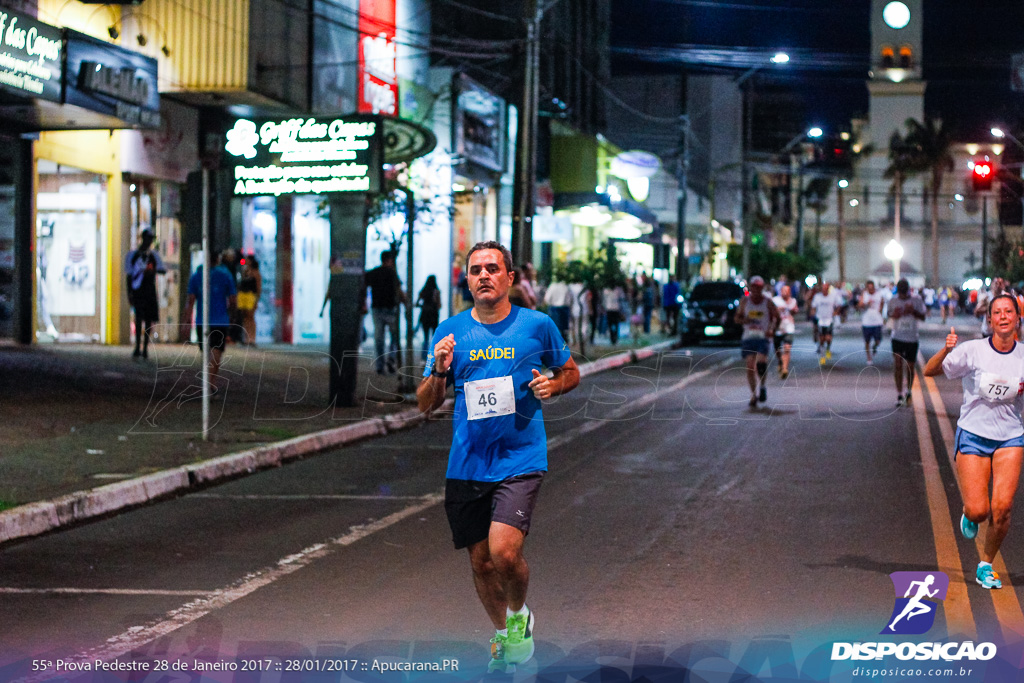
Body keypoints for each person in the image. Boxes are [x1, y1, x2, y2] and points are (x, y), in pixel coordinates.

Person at [416, 241, 580, 672]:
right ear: (467, 280)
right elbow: (424, 404)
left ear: (510, 277)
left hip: (521, 457)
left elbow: (570, 371)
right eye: (475, 270)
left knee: (503, 553)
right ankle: (507, 634)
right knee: (480, 563)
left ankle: (518, 615)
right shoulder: (449, 332)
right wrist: (438, 369)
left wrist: (553, 385)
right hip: (468, 462)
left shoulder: (537, 325)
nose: (484, 275)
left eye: (493, 268)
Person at [924, 294, 1024, 589]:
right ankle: (970, 513)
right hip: (974, 436)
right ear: (989, 319)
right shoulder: (972, 351)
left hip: (1010, 437)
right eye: (997, 312)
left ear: (1018, 318)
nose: (1003, 316)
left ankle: (986, 565)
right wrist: (945, 350)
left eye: (1009, 311)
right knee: (979, 510)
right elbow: (930, 371)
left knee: (1003, 507)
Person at [184, 250, 237, 388]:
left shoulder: (197, 276)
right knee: (217, 352)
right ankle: (211, 382)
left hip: (203, 321)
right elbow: (232, 299)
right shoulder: (226, 275)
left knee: (206, 353)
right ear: (218, 259)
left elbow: (191, 300)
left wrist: (186, 320)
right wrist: (232, 316)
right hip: (220, 320)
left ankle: (209, 383)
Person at [735, 276, 780, 407]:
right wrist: (745, 321)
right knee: (750, 366)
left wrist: (773, 330)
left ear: (762, 288)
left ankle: (763, 386)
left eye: (758, 287)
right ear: (751, 287)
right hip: (748, 337)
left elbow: (777, 317)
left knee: (760, 364)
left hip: (763, 337)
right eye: (754, 286)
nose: (756, 289)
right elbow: (737, 318)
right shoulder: (745, 302)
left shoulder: (768, 302)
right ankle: (753, 395)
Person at [125, 229, 166, 359]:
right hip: (138, 290)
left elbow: (162, 269)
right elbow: (129, 275)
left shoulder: (153, 256)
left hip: (149, 290)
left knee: (148, 320)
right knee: (138, 318)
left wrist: (152, 271)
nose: (149, 241)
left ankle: (145, 348)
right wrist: (129, 294)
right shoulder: (133, 255)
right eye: (148, 238)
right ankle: (137, 346)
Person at [364, 250, 406, 374]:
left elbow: (364, 286)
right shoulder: (393, 273)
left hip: (377, 309)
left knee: (379, 339)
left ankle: (380, 365)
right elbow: (399, 290)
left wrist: (363, 303)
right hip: (391, 309)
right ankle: (391, 359)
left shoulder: (373, 273)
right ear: (390, 260)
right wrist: (405, 302)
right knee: (394, 337)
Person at [889, 279, 927, 407]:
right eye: (901, 294)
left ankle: (908, 390)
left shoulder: (917, 300)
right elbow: (888, 314)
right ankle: (899, 393)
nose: (903, 297)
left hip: (912, 337)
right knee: (898, 364)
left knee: (910, 366)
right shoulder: (893, 300)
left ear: (909, 290)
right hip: (897, 337)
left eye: (905, 294)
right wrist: (895, 314)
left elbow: (923, 316)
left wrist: (913, 311)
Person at [811, 280, 841, 366]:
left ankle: (828, 348)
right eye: (823, 288)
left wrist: (836, 312)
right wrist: (813, 314)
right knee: (821, 339)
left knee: (828, 338)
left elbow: (839, 304)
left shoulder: (832, 297)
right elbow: (813, 306)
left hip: (829, 320)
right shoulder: (817, 297)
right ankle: (822, 355)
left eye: (826, 288)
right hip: (820, 319)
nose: (824, 290)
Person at [771, 284, 798, 379]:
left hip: (789, 327)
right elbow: (770, 311)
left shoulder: (793, 301)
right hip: (777, 327)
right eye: (783, 291)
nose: (784, 293)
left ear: (790, 293)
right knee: (777, 349)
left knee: (787, 348)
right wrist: (778, 309)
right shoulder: (775, 300)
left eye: (786, 291)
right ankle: (780, 361)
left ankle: (785, 369)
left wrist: (794, 311)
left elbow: (795, 311)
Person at [859, 280, 885, 366]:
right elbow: (860, 305)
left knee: (878, 340)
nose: (870, 290)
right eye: (868, 288)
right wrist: (866, 303)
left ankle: (875, 346)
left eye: (871, 288)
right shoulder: (864, 294)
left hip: (877, 321)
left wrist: (880, 312)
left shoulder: (879, 294)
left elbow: (882, 303)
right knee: (867, 341)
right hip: (867, 322)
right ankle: (869, 358)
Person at [236, 255, 261, 346]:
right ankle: (246, 338)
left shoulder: (256, 273)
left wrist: (257, 299)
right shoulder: (244, 271)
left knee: (251, 317)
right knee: (245, 317)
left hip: (251, 295)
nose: (244, 261)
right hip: (243, 295)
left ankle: (252, 338)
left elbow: (258, 287)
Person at [416, 275, 442, 360]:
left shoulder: (423, 291)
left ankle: (424, 357)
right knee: (434, 338)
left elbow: (416, 303)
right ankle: (434, 357)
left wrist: (423, 306)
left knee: (425, 337)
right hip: (434, 316)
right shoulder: (436, 292)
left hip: (425, 316)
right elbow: (439, 305)